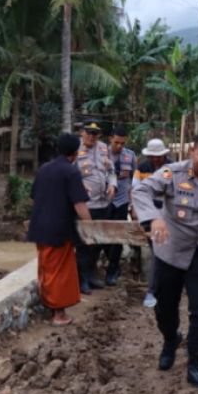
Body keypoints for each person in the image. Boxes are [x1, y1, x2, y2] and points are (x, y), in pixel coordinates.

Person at [132, 132, 198, 389]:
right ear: (193, 151)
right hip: (170, 252)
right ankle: (171, 339)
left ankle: (195, 363)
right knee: (165, 308)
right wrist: (153, 218)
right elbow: (141, 191)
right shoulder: (172, 174)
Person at [26, 132, 92, 326]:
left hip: (39, 227)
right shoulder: (70, 172)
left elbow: (34, 198)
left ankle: (50, 308)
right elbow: (80, 204)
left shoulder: (44, 169)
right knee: (60, 273)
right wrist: (91, 227)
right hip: (59, 230)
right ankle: (59, 315)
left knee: (46, 269)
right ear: (75, 152)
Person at [74, 122, 116, 294]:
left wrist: (113, 185)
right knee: (84, 243)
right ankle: (81, 279)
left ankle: (91, 275)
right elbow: (70, 173)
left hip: (103, 202)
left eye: (95, 133)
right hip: (86, 205)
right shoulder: (75, 148)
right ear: (82, 133)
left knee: (97, 243)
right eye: (89, 133)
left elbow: (111, 170)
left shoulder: (104, 148)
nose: (92, 136)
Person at [134, 138, 172, 308]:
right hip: (148, 215)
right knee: (157, 252)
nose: (156, 159)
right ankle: (153, 290)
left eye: (159, 156)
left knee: (163, 252)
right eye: (153, 156)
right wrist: (137, 214)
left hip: (167, 215)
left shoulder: (169, 169)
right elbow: (135, 190)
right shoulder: (142, 168)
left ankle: (160, 288)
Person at [105, 125, 138, 287]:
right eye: (117, 142)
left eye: (122, 143)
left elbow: (133, 181)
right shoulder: (101, 154)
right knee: (103, 235)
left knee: (117, 237)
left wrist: (132, 205)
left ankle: (112, 271)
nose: (119, 146)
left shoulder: (130, 156)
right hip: (103, 200)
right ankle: (112, 266)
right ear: (111, 138)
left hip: (122, 201)